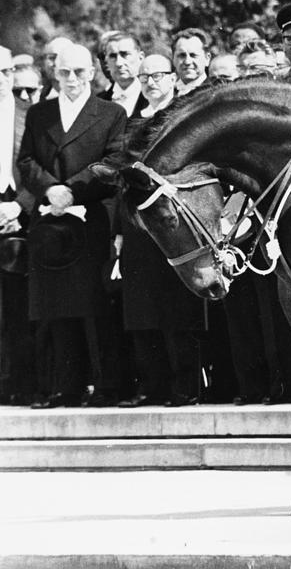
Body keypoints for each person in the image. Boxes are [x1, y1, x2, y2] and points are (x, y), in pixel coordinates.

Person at [18, 41, 127, 407]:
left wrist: (73, 191)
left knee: (95, 307)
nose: (72, 79)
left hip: (91, 217)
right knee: (57, 307)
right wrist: (50, 190)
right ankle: (67, 386)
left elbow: (113, 162)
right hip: (50, 222)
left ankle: (107, 385)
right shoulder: (39, 114)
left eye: (79, 72)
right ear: (54, 73)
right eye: (64, 72)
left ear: (93, 72)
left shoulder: (110, 114)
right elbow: (27, 161)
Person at [117, 54, 206, 407]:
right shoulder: (130, 122)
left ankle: (185, 386)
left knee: (178, 307)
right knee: (143, 309)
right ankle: (152, 385)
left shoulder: (183, 118)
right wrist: (118, 231)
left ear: (172, 79)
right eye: (145, 76)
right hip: (138, 223)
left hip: (174, 221)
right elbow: (118, 177)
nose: (151, 82)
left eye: (158, 75)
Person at [0, 46, 36, 404]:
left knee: (17, 309)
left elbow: (38, 164)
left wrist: (17, 207)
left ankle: (20, 386)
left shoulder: (32, 116)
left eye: (5, 71)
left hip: (20, 217)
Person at [100, 32, 147, 118]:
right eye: (113, 56)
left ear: (141, 57)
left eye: (125, 54)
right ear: (106, 61)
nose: (119, 63)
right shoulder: (98, 101)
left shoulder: (154, 97)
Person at [172, 28, 211, 95]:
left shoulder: (215, 92)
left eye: (193, 55)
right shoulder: (166, 94)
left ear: (207, 58)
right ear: (173, 59)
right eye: (182, 55)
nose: (187, 62)